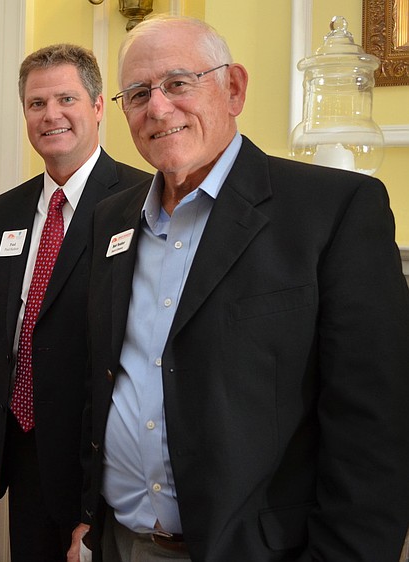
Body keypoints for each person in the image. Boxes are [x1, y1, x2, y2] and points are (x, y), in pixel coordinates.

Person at [68, 14, 409, 562]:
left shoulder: (333, 212)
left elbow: (373, 436)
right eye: (137, 94)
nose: (157, 108)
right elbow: (106, 377)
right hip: (119, 541)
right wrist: (89, 517)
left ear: (233, 88)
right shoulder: (112, 218)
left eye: (179, 83)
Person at [0, 44, 150, 561]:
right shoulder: (5, 211)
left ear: (96, 107)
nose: (51, 115)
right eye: (36, 103)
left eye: (66, 98)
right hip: (21, 445)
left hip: (101, 450)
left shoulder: (143, 201)